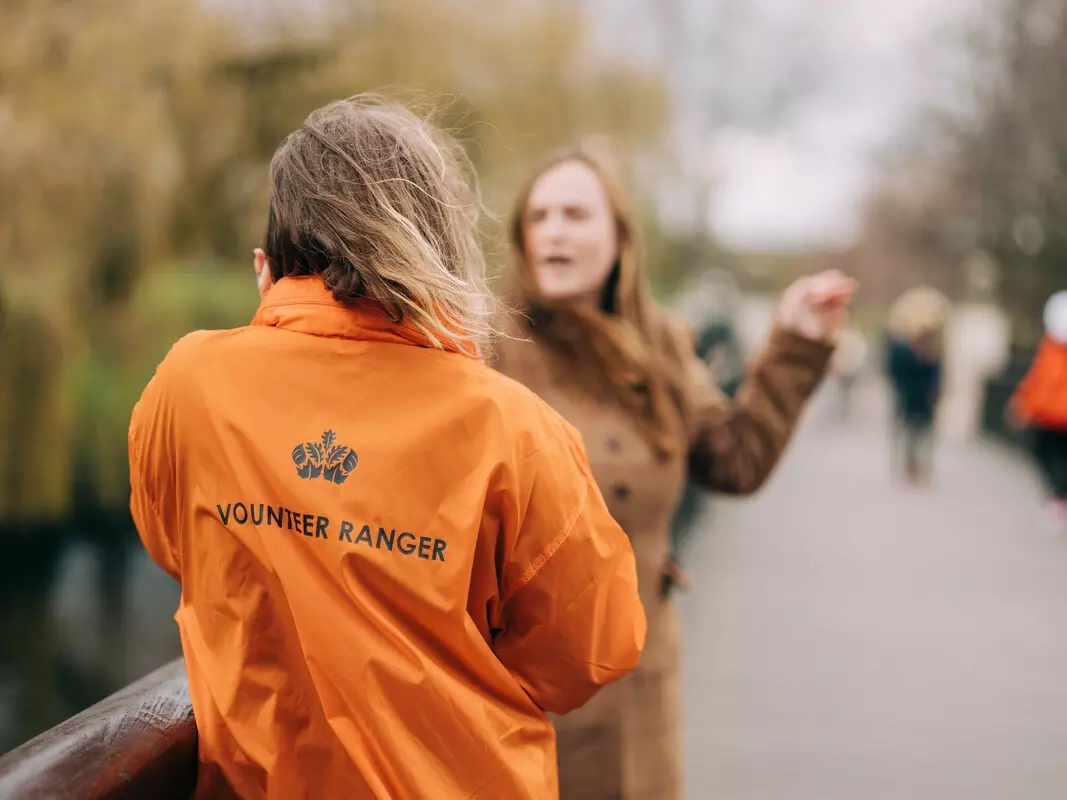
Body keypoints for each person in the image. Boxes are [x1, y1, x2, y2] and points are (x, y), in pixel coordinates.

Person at [128, 96, 647, 799]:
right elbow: (588, 652)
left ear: (267, 265)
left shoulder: (187, 386)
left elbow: (178, 547)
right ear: (436, 244)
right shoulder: (514, 427)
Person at [490, 143, 855, 799]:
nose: (552, 230)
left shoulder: (658, 343)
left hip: (642, 673)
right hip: (527, 684)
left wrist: (795, 342)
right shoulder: (492, 345)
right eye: (537, 216)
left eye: (575, 213)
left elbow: (734, 460)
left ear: (619, 237)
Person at [1008, 291, 1067, 533]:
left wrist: (1023, 406)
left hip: (1051, 417)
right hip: (1050, 416)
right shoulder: (1050, 349)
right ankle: (1059, 496)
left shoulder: (1052, 350)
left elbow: (1042, 383)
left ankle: (1059, 496)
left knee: (1046, 455)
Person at [886, 324, 943, 484]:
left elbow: (936, 380)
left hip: (925, 404)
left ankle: (922, 468)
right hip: (910, 402)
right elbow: (898, 375)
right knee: (910, 437)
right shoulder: (905, 354)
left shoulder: (933, 357)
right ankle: (911, 468)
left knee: (923, 437)